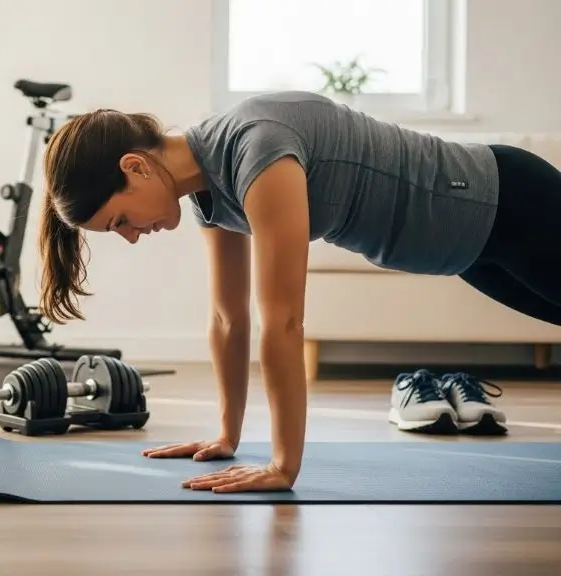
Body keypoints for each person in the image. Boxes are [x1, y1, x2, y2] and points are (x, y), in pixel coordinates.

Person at [35, 90, 556, 493]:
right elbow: (227, 318)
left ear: (135, 166)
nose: (130, 236)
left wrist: (283, 465)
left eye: (121, 219)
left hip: (507, 203)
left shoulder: (256, 148)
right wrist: (226, 436)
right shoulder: (209, 192)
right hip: (470, 247)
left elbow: (282, 321)